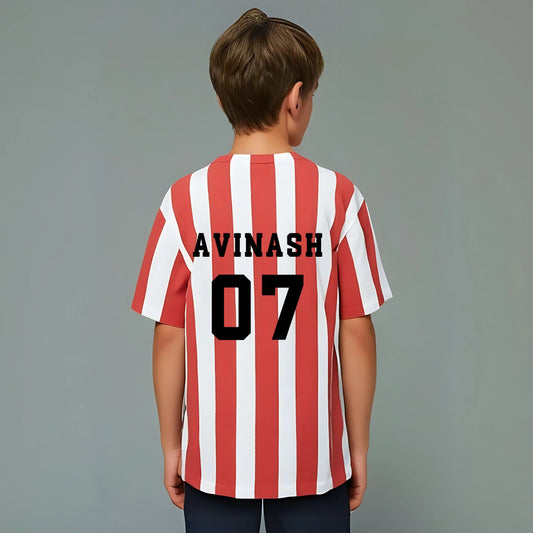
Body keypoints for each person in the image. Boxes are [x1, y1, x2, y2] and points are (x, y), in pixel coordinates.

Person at [130, 7, 393, 533]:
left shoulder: (183, 201)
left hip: (215, 459)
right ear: (296, 98)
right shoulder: (338, 198)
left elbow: (169, 334)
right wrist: (357, 448)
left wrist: (172, 446)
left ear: (222, 100)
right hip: (314, 459)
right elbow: (356, 330)